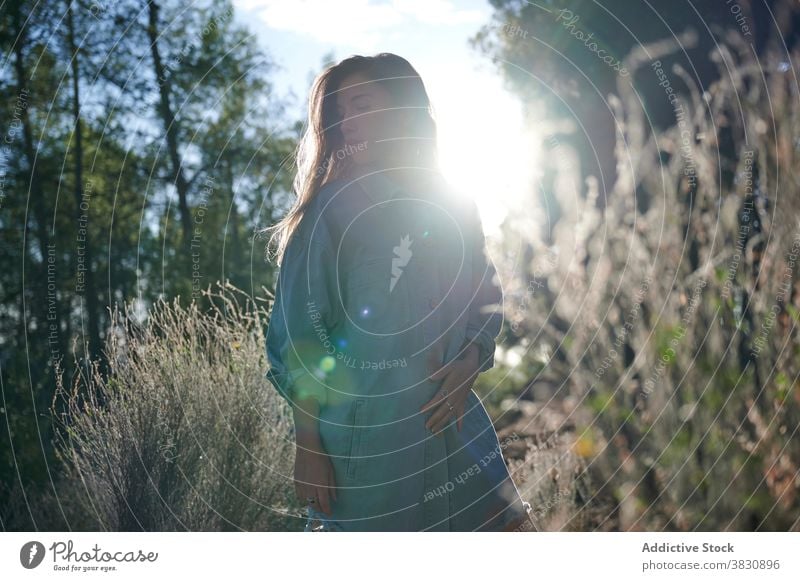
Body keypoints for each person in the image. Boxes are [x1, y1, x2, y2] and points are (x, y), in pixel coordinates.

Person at [263, 52, 534, 532]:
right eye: (340, 113)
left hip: (458, 432)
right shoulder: (329, 214)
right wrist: (307, 443)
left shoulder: (455, 201)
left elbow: (483, 299)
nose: (346, 124)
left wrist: (471, 360)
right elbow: (301, 337)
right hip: (366, 448)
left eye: (361, 106)